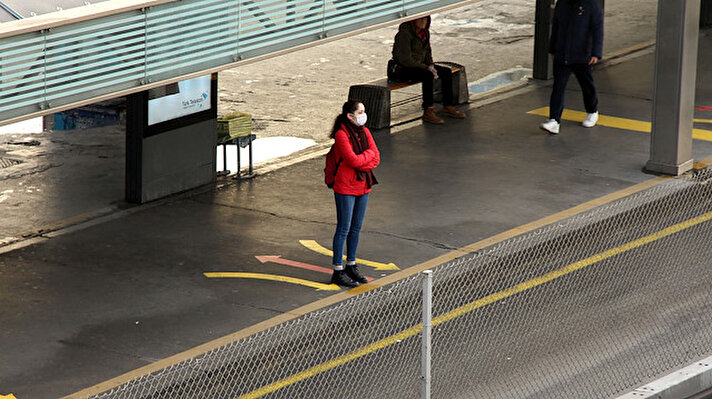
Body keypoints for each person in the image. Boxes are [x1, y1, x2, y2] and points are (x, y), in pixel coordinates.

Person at [329, 100, 380, 288]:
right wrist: (367, 158)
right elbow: (353, 160)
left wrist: (364, 159)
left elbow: (376, 155)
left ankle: (351, 264)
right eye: (360, 111)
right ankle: (337, 269)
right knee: (343, 228)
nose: (363, 115)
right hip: (346, 186)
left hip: (363, 185)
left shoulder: (365, 131)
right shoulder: (342, 135)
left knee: (356, 228)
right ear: (350, 116)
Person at [540, 0, 603, 135]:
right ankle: (554, 120)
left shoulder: (591, 4)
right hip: (562, 54)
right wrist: (552, 49)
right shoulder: (562, 3)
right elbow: (556, 26)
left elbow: (597, 28)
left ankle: (592, 111)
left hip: (582, 55)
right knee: (558, 87)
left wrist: (596, 53)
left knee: (586, 85)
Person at [388, 16, 466, 125]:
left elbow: (428, 52)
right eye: (420, 19)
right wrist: (426, 68)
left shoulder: (425, 33)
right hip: (401, 69)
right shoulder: (404, 34)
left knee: (446, 72)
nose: (423, 22)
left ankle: (448, 106)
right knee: (427, 75)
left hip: (420, 66)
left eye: (425, 19)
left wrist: (431, 65)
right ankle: (428, 110)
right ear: (414, 20)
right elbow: (405, 59)